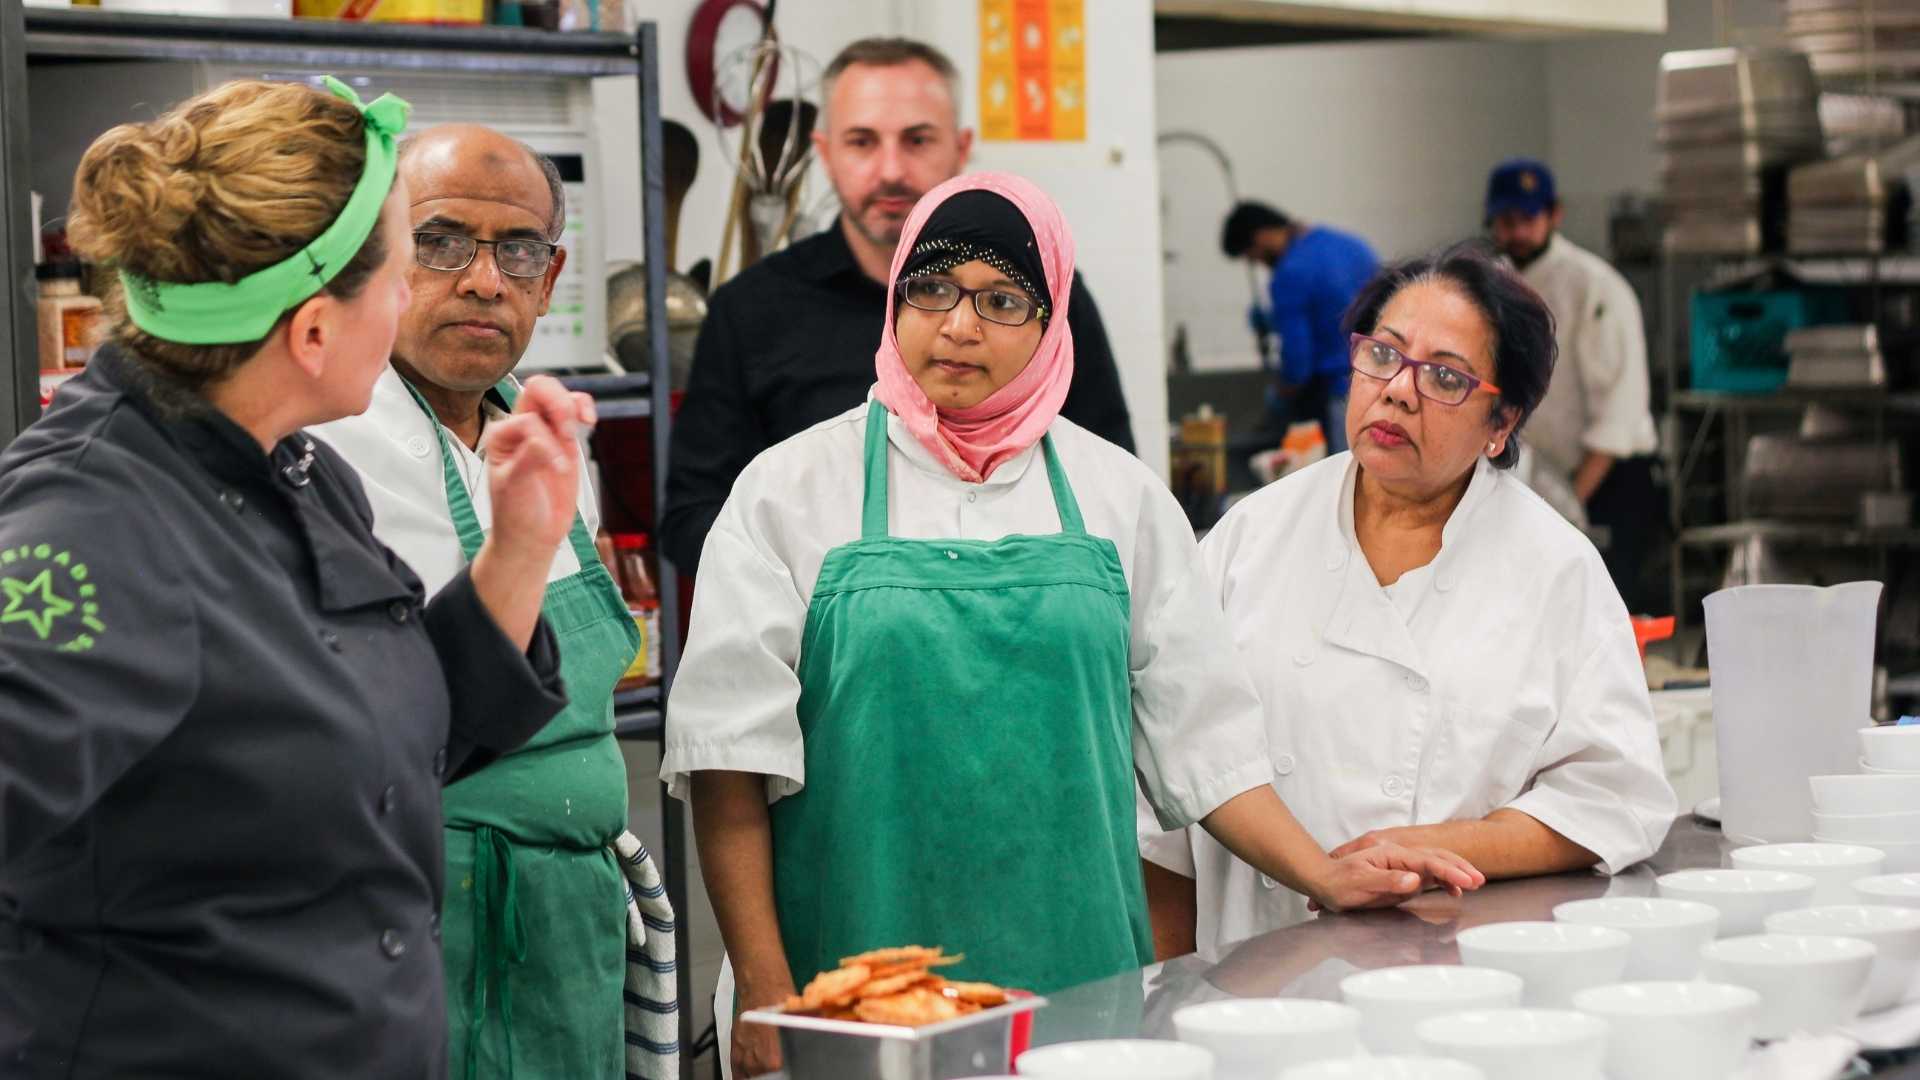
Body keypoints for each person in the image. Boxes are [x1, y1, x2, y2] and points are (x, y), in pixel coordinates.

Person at [660, 173, 1483, 1079]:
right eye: (929, 289)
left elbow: (1207, 749)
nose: (959, 325)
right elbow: (729, 763)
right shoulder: (787, 492)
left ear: (1051, 322)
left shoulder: (1116, 496)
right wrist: (771, 988)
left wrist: (1321, 876)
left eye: (1002, 300)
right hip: (850, 989)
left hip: (1079, 975)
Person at [0, 78, 591, 1077]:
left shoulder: (299, 473)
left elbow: (402, 736)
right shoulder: (84, 529)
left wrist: (519, 551)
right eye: (406, 271)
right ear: (315, 331)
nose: (419, 297)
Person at [1141, 245, 1675, 960]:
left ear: (1501, 423)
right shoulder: (1251, 538)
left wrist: (1428, 848)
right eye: (1384, 356)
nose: (1398, 390)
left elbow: (1616, 796)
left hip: (1457, 980)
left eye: (1446, 377)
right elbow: (1167, 797)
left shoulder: (1555, 570)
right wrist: (1172, 996)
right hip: (1258, 981)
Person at [311, 124, 673, 1079]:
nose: (482, 280)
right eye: (439, 243)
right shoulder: (326, 445)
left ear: (549, 283)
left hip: (569, 928)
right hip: (421, 923)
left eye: (517, 252)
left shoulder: (547, 435)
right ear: (379, 262)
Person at [661, 36, 1135, 577]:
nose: (890, 170)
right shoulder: (750, 310)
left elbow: (1111, 489)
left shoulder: (1048, 303)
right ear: (825, 153)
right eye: (862, 141)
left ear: (960, 148)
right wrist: (851, 589)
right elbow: (692, 519)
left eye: (917, 140)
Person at [1484, 159, 1662, 612]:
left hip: (1607, 481)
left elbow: (1619, 413)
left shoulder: (1595, 287)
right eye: (1507, 221)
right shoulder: (1492, 287)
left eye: (1528, 219)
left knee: (1603, 618)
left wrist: (1568, 504)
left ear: (1554, 215)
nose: (1517, 232)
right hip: (1536, 479)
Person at [1221, 200, 1379, 453]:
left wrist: (1278, 398)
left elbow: (1298, 365)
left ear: (1261, 237)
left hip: (1340, 396)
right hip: (1381, 385)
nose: (1258, 263)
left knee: (1344, 477)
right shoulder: (1352, 245)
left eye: (1253, 256)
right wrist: (1275, 319)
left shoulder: (1289, 274)